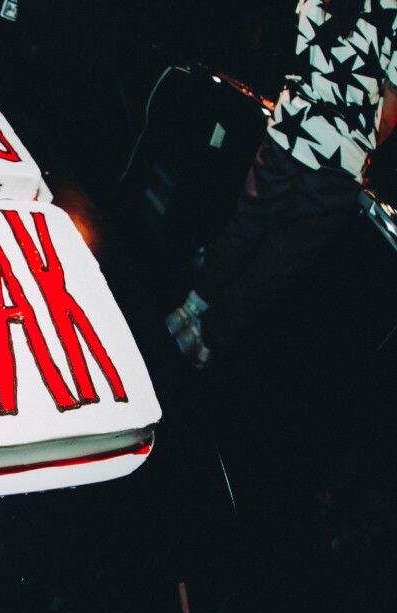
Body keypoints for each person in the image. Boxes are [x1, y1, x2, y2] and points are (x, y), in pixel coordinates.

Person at [167, 0, 397, 368]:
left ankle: (190, 307)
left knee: (243, 227)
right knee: (277, 263)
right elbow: (388, 116)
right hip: (338, 164)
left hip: (287, 134)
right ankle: (208, 340)